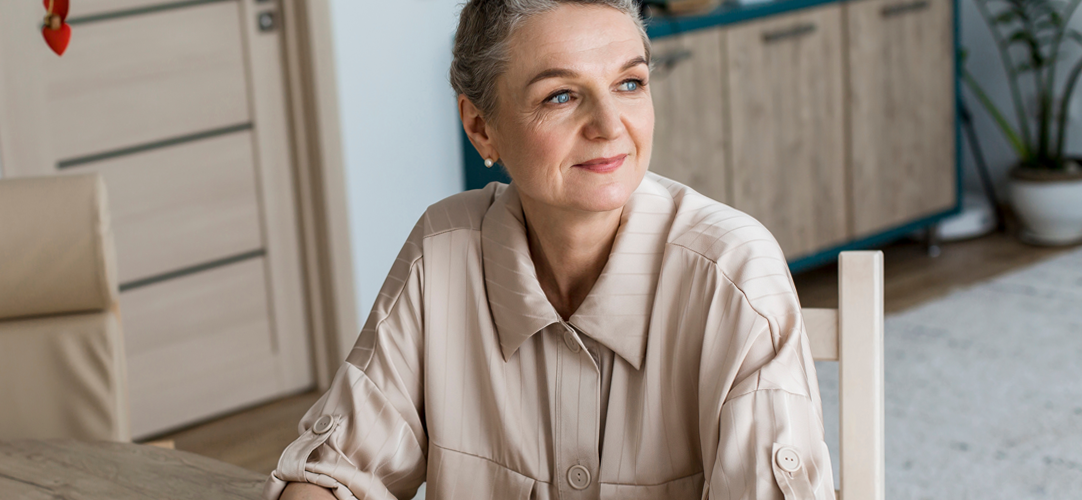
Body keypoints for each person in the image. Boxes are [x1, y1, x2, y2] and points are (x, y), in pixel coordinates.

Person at [268, 0, 835, 498]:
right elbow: (338, 471)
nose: (610, 125)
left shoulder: (733, 270)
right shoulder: (441, 251)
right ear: (481, 127)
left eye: (629, 83)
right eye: (561, 96)